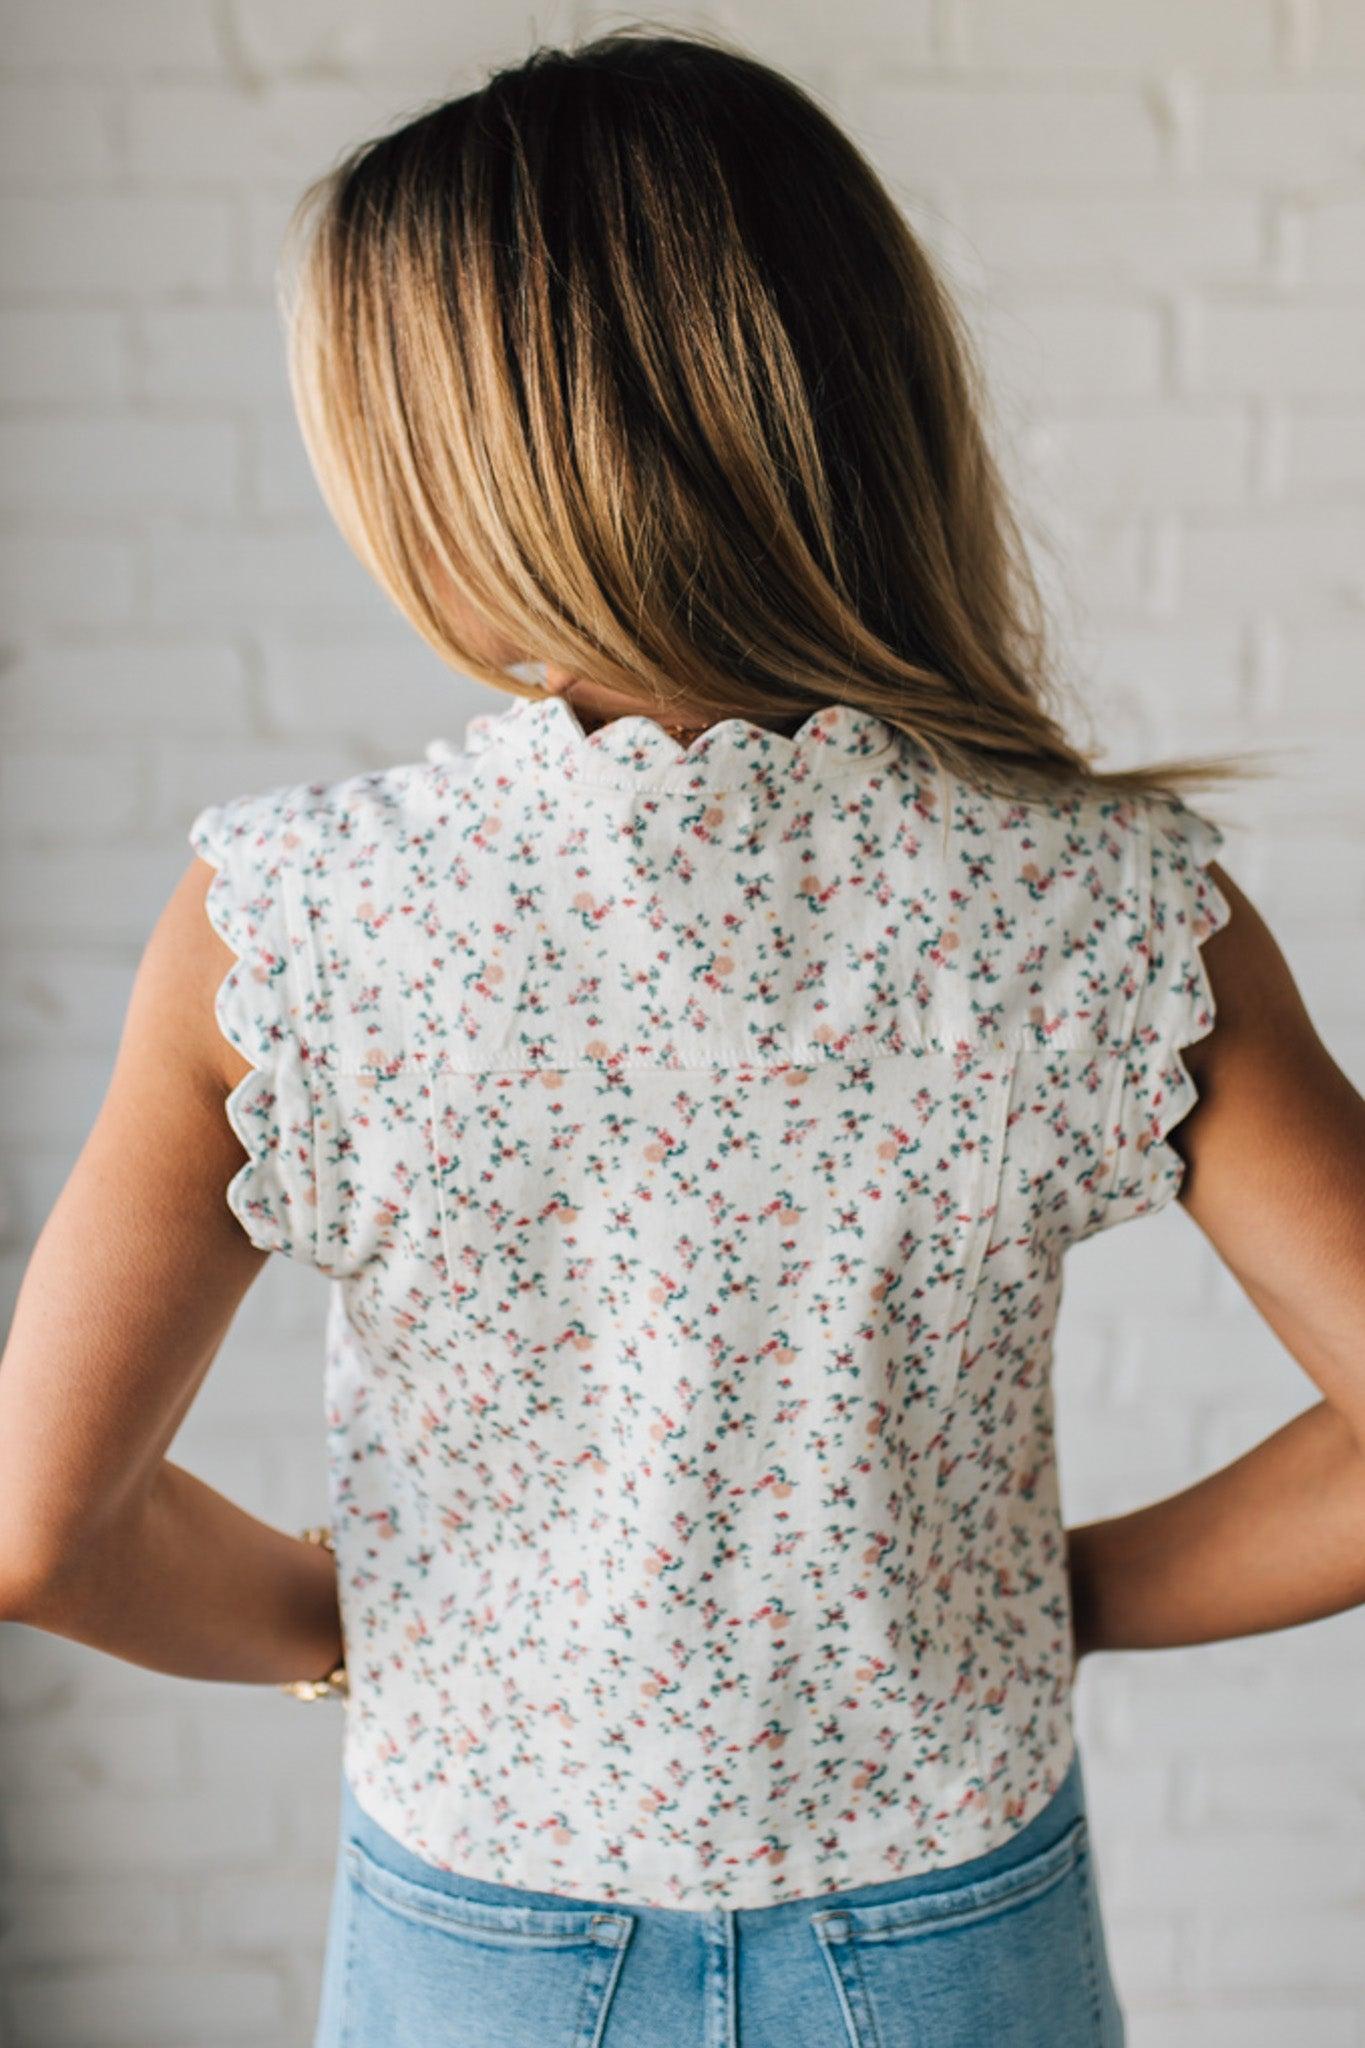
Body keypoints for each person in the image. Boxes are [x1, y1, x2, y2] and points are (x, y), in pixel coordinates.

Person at [2, 26, 1363, 2048]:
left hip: (480, 1923)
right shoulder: (1102, 908)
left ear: (451, 490)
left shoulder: (292, 923)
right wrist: (1029, 1596)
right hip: (946, 1918)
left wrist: (359, 1635)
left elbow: (39, 1527)